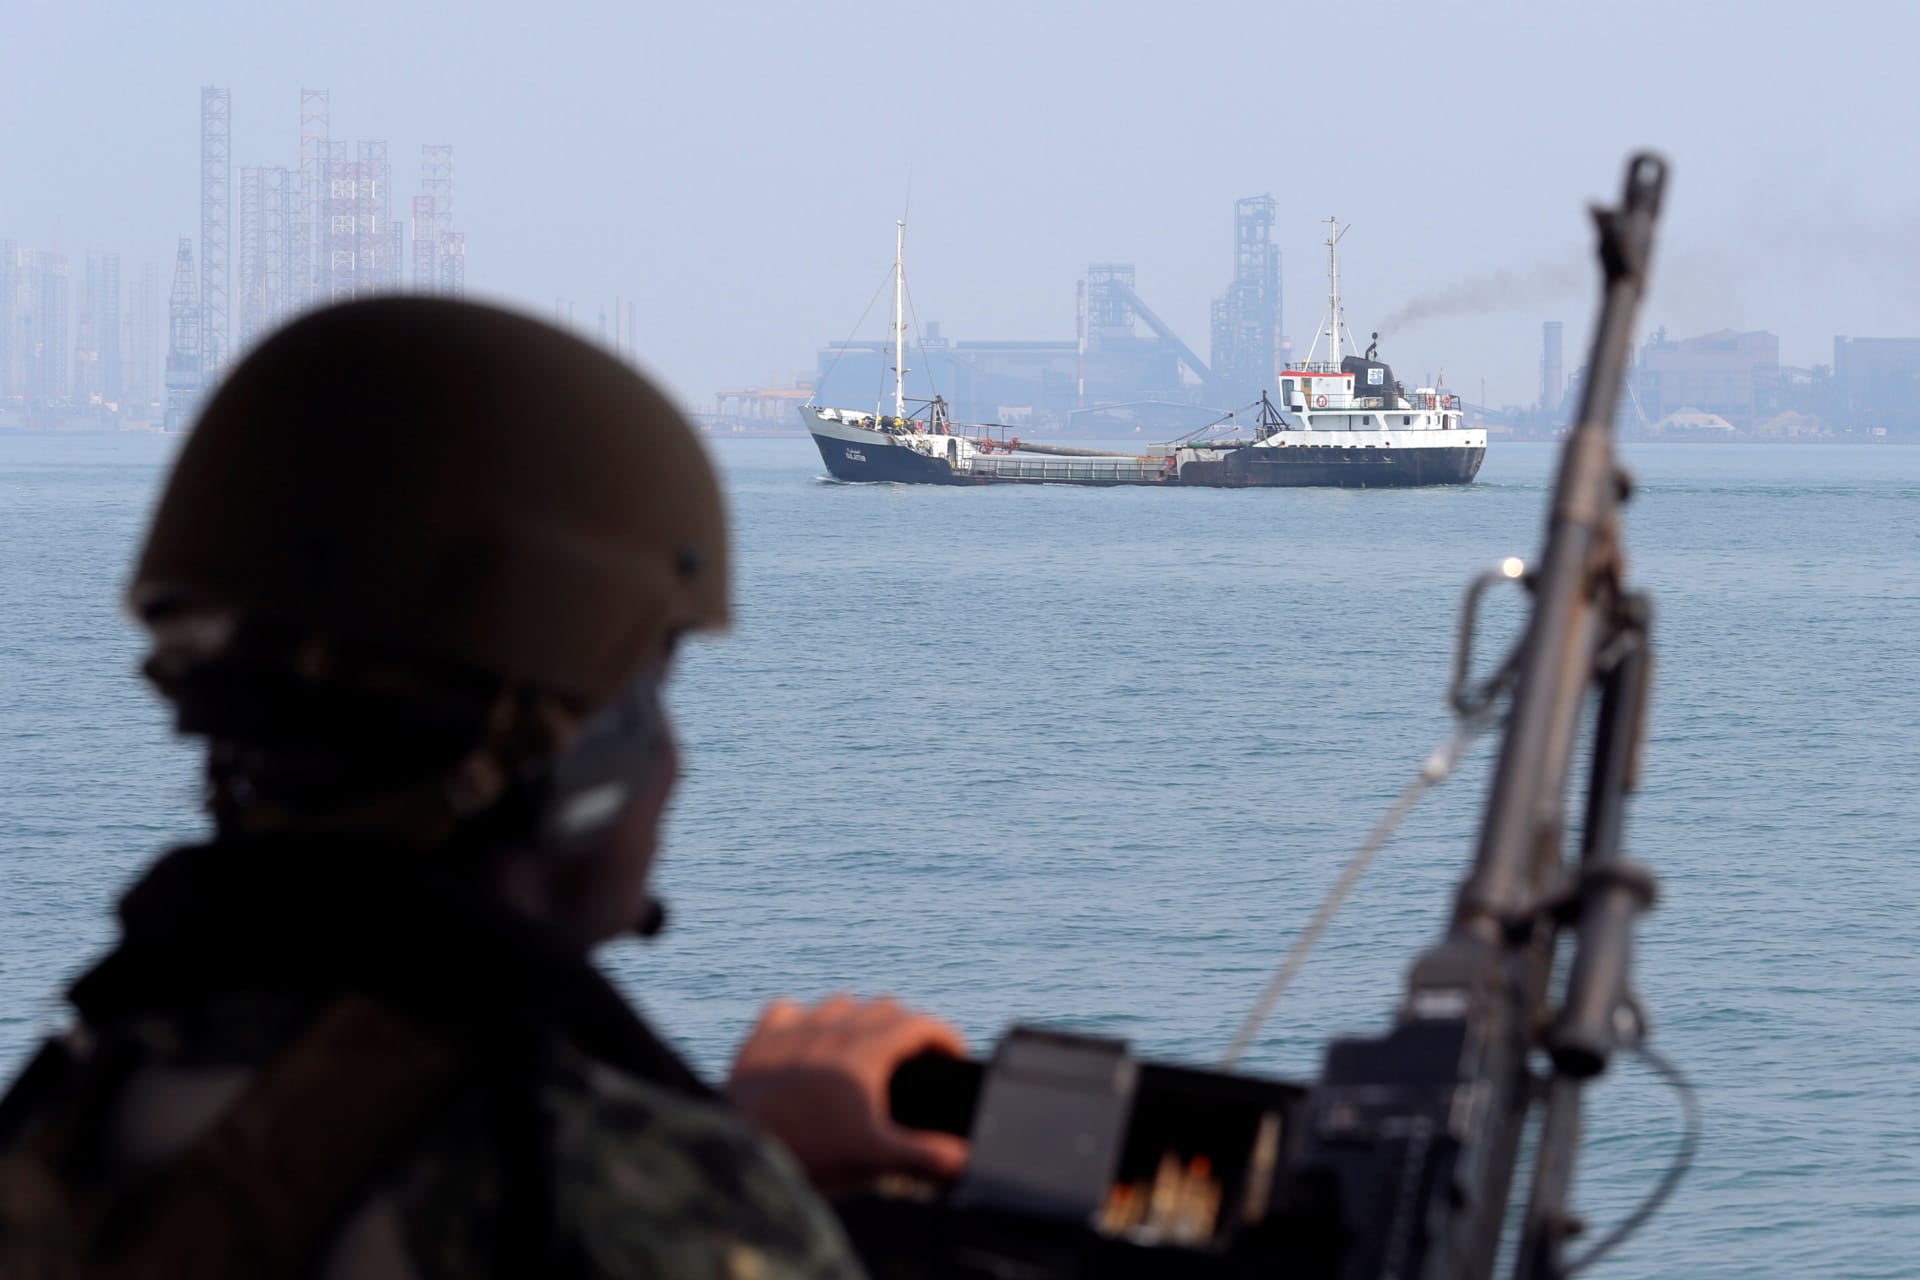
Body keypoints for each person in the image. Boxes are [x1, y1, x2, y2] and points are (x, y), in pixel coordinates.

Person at [0, 298, 967, 1278]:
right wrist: (718, 1177)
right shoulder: (599, 1193)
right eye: (648, 687)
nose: (674, 759)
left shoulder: (72, 1111)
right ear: (569, 758)